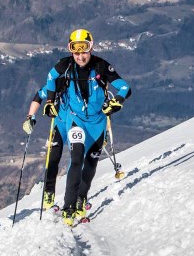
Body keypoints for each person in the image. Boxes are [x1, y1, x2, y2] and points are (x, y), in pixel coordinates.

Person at [41, 28, 130, 225]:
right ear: (70, 50)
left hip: (97, 124)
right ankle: (68, 207)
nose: (80, 56)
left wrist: (118, 101)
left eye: (84, 50)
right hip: (76, 121)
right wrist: (49, 101)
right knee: (76, 158)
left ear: (91, 48)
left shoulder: (101, 66)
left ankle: (81, 198)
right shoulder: (65, 65)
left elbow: (125, 87)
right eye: (76, 51)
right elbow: (50, 79)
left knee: (90, 163)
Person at [23, 85, 66, 210]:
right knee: (52, 159)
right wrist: (30, 117)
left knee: (77, 159)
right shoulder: (58, 81)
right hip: (59, 125)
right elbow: (39, 95)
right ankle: (48, 196)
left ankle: (76, 198)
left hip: (76, 123)